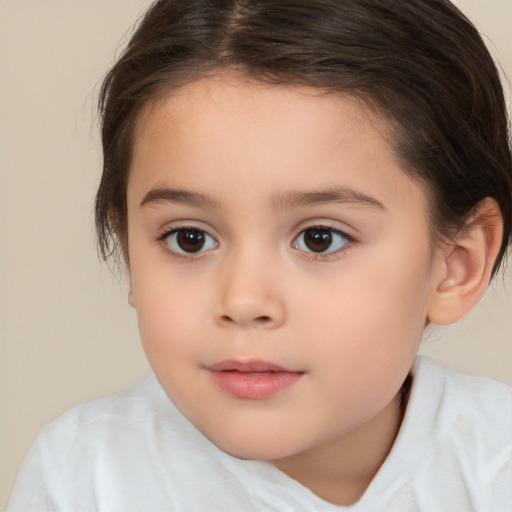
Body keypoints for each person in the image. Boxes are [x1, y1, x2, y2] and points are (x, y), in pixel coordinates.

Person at [7, 0, 512, 510]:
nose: (244, 301)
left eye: (320, 238)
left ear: (456, 264)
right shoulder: (86, 476)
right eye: (189, 239)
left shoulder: (497, 466)